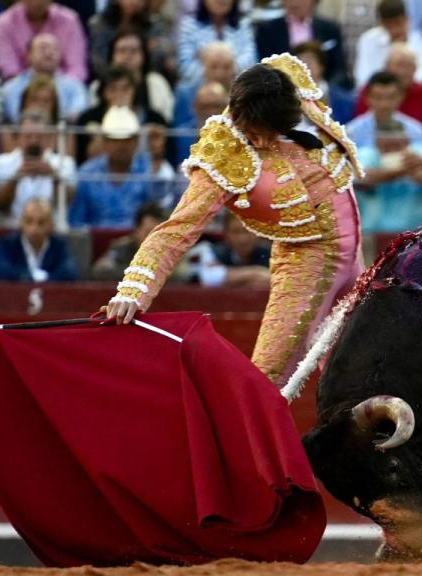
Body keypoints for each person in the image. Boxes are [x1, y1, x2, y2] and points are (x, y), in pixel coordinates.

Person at [104, 53, 366, 388]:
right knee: (268, 378)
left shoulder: (292, 82)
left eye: (265, 133)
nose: (258, 142)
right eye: (252, 132)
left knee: (355, 366)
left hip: (355, 257)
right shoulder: (224, 153)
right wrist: (133, 291)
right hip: (306, 261)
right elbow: (176, 230)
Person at [355, 119, 422, 234]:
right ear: (377, 142)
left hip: (416, 235)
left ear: (407, 141)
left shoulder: (421, 155)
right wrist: (402, 171)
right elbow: (361, 179)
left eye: (397, 146)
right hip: (373, 233)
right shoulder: (366, 155)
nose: (392, 150)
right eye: (387, 147)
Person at [69, 106, 158, 228]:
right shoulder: (87, 173)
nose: (121, 146)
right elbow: (77, 221)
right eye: (115, 140)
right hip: (95, 242)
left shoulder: (148, 171)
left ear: (136, 142)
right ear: (105, 142)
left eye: (127, 140)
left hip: (139, 243)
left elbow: (154, 218)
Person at [0, 109, 77, 225]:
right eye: (28, 136)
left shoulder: (65, 163)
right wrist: (16, 177)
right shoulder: (0, 163)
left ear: (50, 138)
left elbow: (67, 201)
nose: (34, 141)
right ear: (18, 137)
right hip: (11, 231)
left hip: (52, 232)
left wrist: (54, 176)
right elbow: (0, 205)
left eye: (40, 136)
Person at [254, 0, 349, 89]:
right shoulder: (267, 30)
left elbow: (339, 70)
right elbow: (263, 68)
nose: (295, 2)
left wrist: (324, 90)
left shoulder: (330, 29)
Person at [1, 33, 88, 123]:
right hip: (25, 133)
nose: (49, 53)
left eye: (55, 49)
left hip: (62, 133)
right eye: (43, 48)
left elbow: (79, 112)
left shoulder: (75, 86)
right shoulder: (12, 87)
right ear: (29, 55)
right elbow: (14, 116)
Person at [0, 0, 88, 82]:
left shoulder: (70, 20)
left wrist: (61, 89)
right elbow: (9, 69)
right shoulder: (4, 23)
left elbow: (77, 69)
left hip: (65, 89)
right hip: (22, 91)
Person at [353, 43, 422, 128]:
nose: (403, 72)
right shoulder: (371, 89)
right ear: (387, 67)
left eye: (409, 66)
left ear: (415, 69)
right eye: (399, 65)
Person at [87, 0, 175, 82]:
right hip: (109, 80)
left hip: (144, 80)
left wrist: (147, 51)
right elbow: (98, 61)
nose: (135, 1)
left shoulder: (153, 25)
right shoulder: (99, 24)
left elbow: (161, 58)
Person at [0, 198, 78, 282]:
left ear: (51, 225)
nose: (34, 229)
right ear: (21, 222)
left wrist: (45, 279)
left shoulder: (60, 245)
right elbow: (2, 271)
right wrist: (30, 277)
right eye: (29, 221)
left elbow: (69, 271)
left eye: (41, 223)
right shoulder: (6, 244)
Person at [177, 0, 256, 86]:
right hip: (198, 86)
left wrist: (226, 73)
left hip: (236, 85)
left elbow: (250, 60)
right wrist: (213, 77)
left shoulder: (243, 25)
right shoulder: (189, 25)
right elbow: (185, 65)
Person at [354, 0, 422, 87]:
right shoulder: (368, 40)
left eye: (398, 23)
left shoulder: (421, 45)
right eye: (389, 25)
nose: (395, 30)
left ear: (407, 20)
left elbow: (419, 79)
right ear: (381, 24)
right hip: (376, 94)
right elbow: (363, 78)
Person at [346, 71, 422, 150]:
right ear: (367, 98)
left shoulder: (416, 130)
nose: (384, 104)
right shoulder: (351, 132)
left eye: (390, 97)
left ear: (401, 97)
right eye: (378, 97)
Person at [91, 201, 166, 280]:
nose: (153, 239)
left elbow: (179, 275)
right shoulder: (121, 248)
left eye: (157, 234)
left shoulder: (171, 252)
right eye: (147, 232)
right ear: (137, 231)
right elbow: (100, 270)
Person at [197, 213, 271, 288]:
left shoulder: (270, 254)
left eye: (247, 231)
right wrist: (256, 273)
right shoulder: (214, 251)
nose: (242, 239)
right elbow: (207, 277)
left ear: (258, 233)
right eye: (236, 232)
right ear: (226, 234)